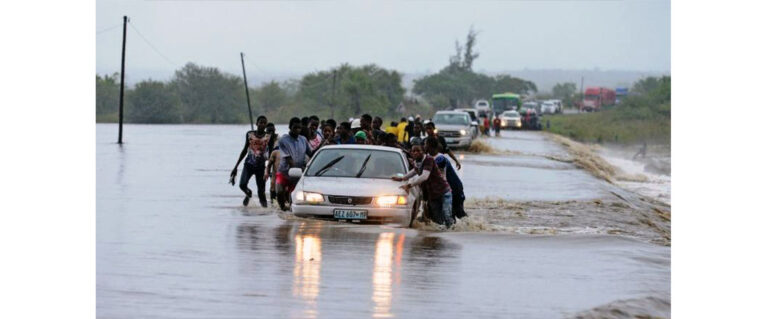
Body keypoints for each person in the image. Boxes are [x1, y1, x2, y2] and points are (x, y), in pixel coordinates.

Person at [391, 144, 453, 227]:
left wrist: (409, 185)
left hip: (443, 191)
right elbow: (414, 171)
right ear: (411, 152)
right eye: (413, 151)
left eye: (418, 151)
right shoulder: (417, 162)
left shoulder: (429, 160)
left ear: (423, 152)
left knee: (446, 214)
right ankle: (440, 235)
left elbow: (424, 176)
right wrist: (402, 178)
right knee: (437, 218)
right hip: (433, 194)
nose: (416, 153)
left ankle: (452, 232)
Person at [230, 115, 273, 207]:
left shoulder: (268, 137)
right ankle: (248, 194)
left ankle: (265, 213)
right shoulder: (250, 134)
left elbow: (271, 154)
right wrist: (236, 167)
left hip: (261, 167)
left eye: (264, 123)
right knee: (242, 185)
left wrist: (269, 169)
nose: (262, 124)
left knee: (261, 192)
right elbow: (245, 149)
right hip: (248, 165)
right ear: (256, 124)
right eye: (260, 122)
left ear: (266, 125)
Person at [276, 118, 314, 211]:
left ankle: (290, 214)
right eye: (295, 127)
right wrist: (296, 170)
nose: (297, 130)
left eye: (299, 128)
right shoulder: (283, 140)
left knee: (293, 198)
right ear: (290, 127)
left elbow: (311, 154)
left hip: (297, 174)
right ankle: (282, 209)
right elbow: (289, 159)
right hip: (284, 171)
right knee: (279, 192)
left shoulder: (303, 139)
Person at [426, 137, 467, 220]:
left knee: (457, 212)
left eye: (425, 144)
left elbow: (435, 174)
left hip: (454, 189)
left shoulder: (441, 159)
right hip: (443, 190)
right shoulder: (429, 157)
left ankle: (469, 228)